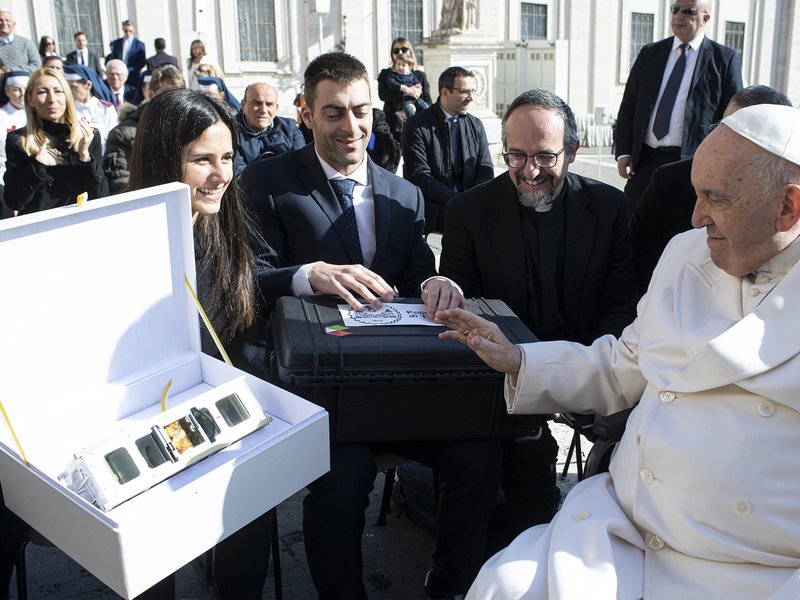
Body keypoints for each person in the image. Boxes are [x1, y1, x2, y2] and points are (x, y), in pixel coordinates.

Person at [435, 103, 800, 599]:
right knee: (503, 584)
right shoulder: (686, 253)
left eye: (717, 198)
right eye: (696, 194)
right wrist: (519, 359)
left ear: (788, 206)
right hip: (623, 524)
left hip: (746, 566)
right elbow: (621, 363)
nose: (696, 217)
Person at [241, 51, 500, 600]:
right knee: (341, 480)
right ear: (305, 114)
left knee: (478, 456)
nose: (351, 126)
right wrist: (310, 275)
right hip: (324, 391)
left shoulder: (403, 192)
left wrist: (435, 284)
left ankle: (450, 586)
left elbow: (414, 275)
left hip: (400, 382)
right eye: (333, 113)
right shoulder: (266, 182)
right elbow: (249, 281)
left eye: (360, 111)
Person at [440, 88, 637, 551]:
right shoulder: (466, 212)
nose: (529, 172)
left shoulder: (609, 208)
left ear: (572, 149)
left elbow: (619, 307)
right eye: (516, 156)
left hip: (587, 361)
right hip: (500, 374)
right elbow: (470, 315)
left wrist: (568, 377)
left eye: (545, 157)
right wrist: (528, 377)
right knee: (525, 464)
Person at [127, 87, 270, 600]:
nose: (221, 174)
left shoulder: (219, 228)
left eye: (228, 156)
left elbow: (239, 318)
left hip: (211, 413)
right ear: (166, 159)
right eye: (201, 159)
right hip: (144, 423)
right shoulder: (124, 243)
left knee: (252, 493)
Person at [630, 84, 793, 296]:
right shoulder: (669, 185)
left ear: (788, 207)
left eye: (747, 139)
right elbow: (637, 269)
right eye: (725, 129)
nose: (696, 220)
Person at [614, 0, 742, 219]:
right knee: (631, 225)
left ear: (705, 18)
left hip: (689, 163)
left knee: (677, 229)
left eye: (688, 11)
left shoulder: (724, 59)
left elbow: (734, 116)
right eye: (675, 9)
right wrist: (624, 151)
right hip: (645, 161)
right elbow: (629, 106)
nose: (679, 15)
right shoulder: (650, 53)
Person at [403, 65, 494, 235]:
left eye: (473, 91)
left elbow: (485, 170)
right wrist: (459, 201)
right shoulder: (417, 125)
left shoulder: (476, 125)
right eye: (465, 91)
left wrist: (473, 199)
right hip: (434, 205)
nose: (471, 98)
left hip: (470, 202)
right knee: (466, 225)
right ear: (445, 92)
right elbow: (420, 175)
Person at [3, 67, 107, 215]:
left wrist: (85, 157)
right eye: (42, 92)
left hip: (81, 223)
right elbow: (14, 201)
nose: (52, 99)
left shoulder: (87, 135)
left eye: (58, 91)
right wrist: (38, 167)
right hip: (39, 228)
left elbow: (102, 195)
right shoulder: (20, 140)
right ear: (30, 99)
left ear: (67, 96)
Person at [104, 64, 185, 194]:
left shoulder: (187, 129)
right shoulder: (122, 134)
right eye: (167, 96)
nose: (173, 103)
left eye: (179, 97)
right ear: (151, 95)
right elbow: (119, 184)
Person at [233, 81, 305, 177]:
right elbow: (240, 177)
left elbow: (303, 167)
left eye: (269, 104)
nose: (263, 110)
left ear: (276, 108)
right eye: (257, 103)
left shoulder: (290, 129)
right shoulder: (231, 132)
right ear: (243, 105)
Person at [377, 37, 431, 143]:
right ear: (392, 54)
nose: (400, 52)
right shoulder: (386, 74)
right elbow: (383, 95)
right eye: (396, 50)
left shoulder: (419, 75)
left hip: (418, 124)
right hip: (392, 122)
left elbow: (427, 99)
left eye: (404, 49)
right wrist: (408, 91)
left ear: (410, 51)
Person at [64, 64, 117, 152]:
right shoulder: (68, 109)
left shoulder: (106, 109)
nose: (68, 91)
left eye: (72, 87)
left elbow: (113, 139)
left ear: (88, 85)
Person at [0, 69, 27, 217]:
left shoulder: (36, 112)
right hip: (4, 168)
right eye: (16, 90)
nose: (22, 94)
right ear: (7, 91)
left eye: (25, 89)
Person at [386, 54, 429, 123]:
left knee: (425, 107)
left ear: (409, 67)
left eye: (403, 65)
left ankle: (428, 121)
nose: (400, 67)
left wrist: (418, 86)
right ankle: (412, 124)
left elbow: (417, 82)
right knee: (410, 109)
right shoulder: (393, 75)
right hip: (404, 101)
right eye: (398, 64)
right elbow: (391, 82)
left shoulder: (410, 75)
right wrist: (402, 87)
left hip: (415, 99)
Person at [109, 20, 146, 90]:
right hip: (118, 76)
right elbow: (113, 59)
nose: (128, 33)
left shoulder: (139, 45)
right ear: (123, 29)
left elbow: (142, 62)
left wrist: (129, 70)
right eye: (126, 31)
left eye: (130, 31)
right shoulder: (117, 43)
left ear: (133, 30)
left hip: (133, 76)